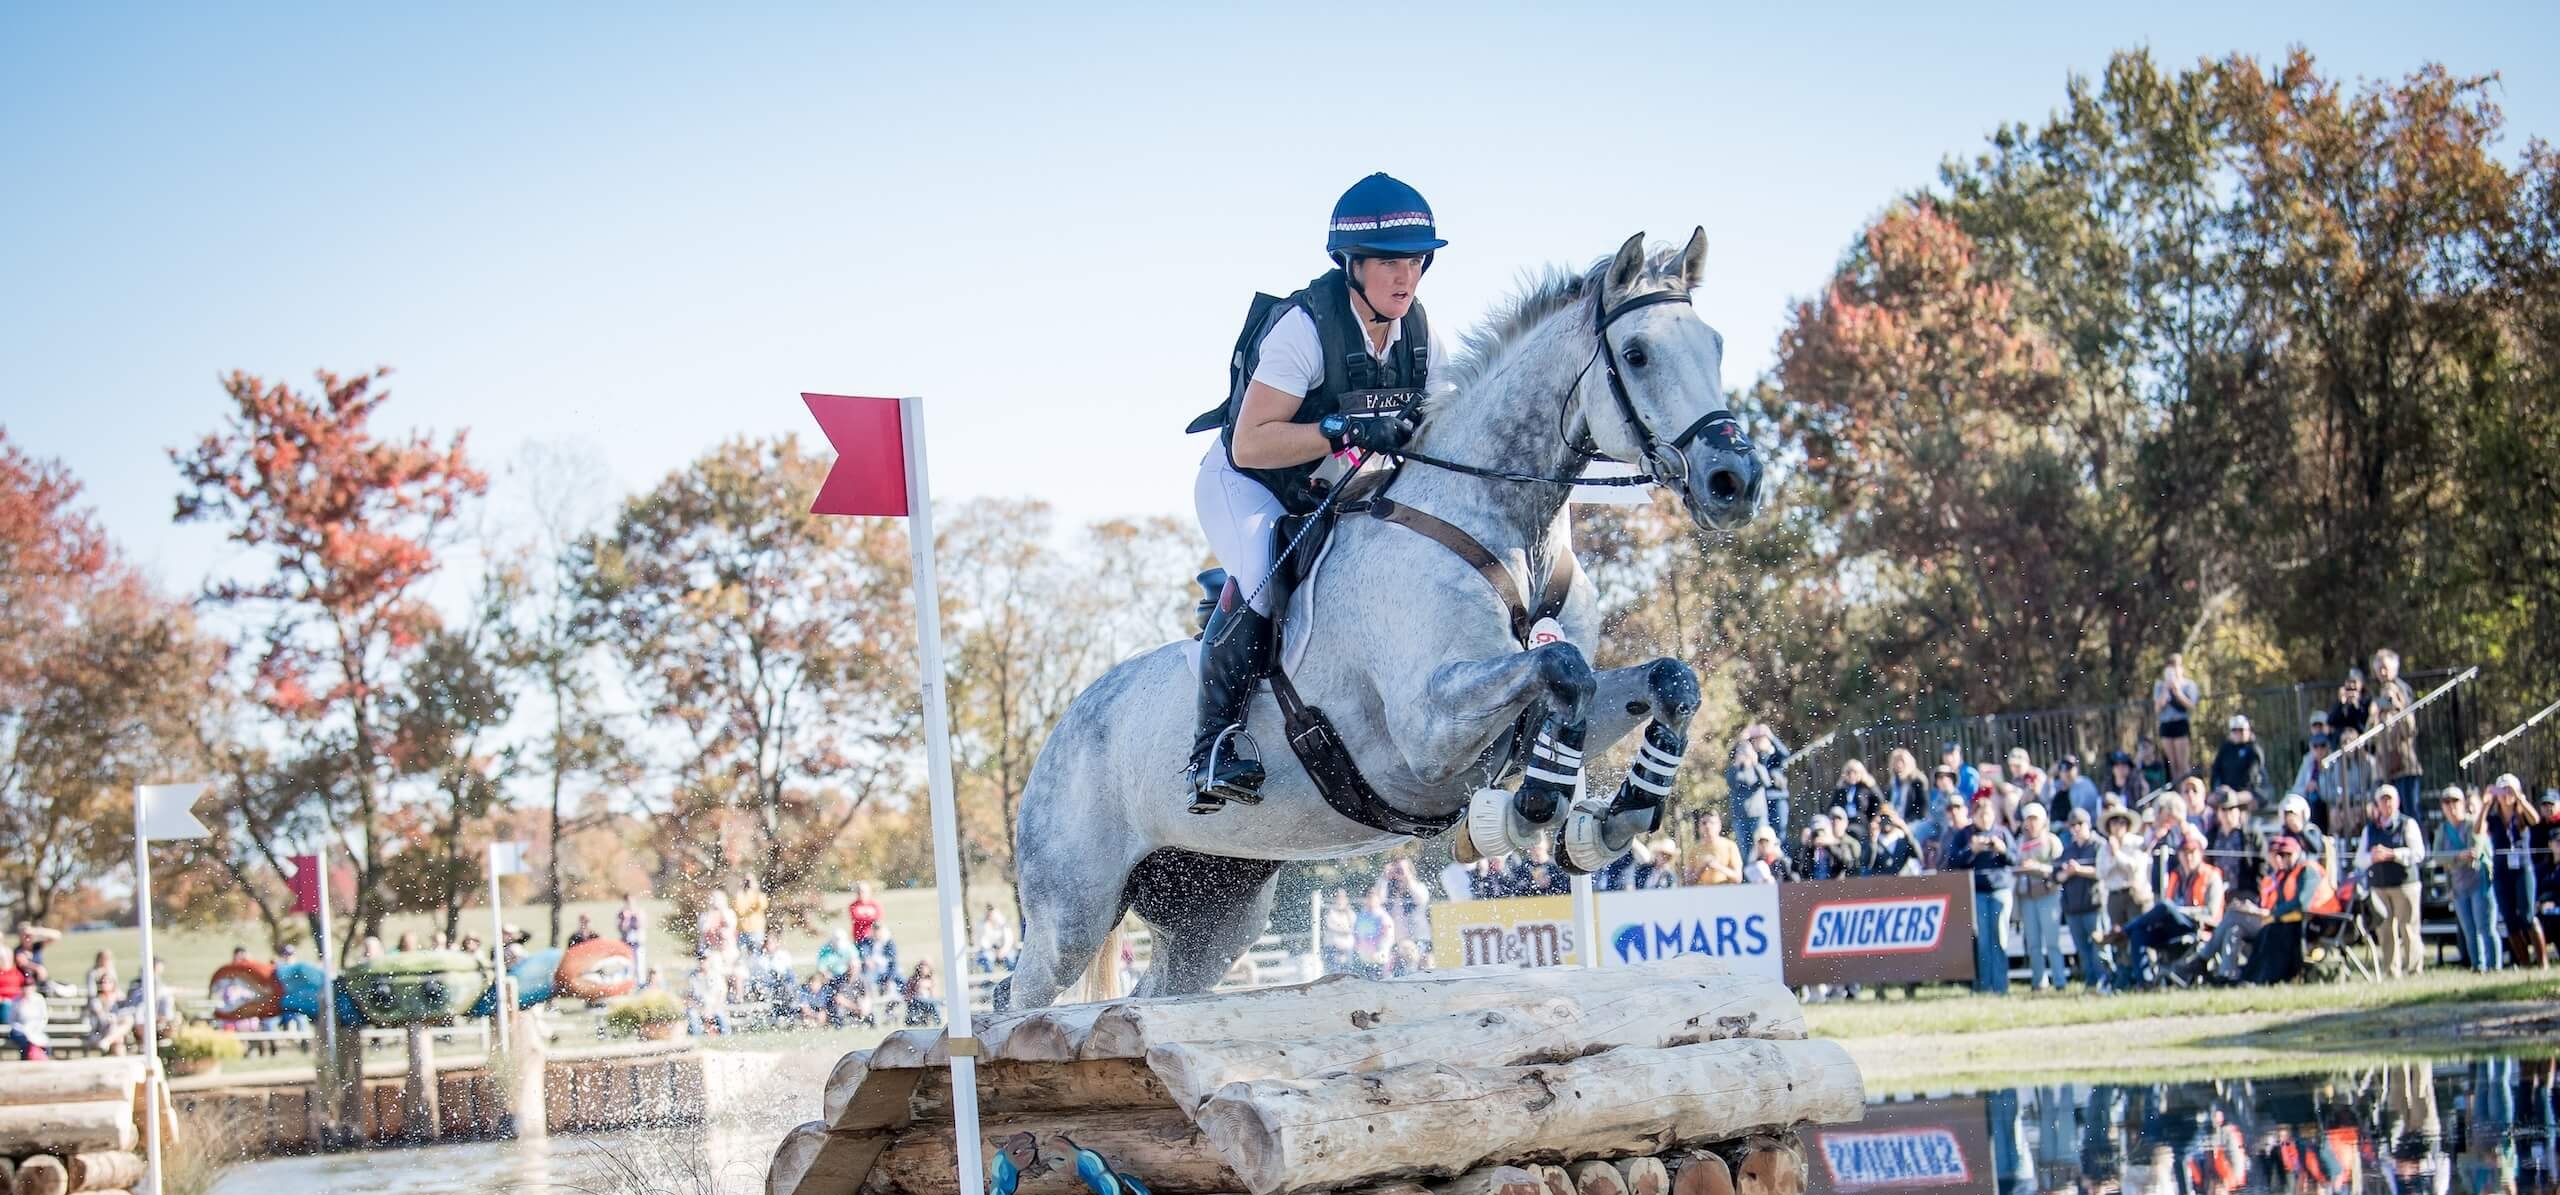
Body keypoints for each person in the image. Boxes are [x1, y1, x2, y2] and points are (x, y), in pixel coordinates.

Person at [1183, 173, 1448, 814]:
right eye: (1388, 261)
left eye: (1415, 260)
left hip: (1333, 489)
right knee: (1262, 568)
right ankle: (1212, 745)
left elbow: (1444, 427)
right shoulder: (1304, 328)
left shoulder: (1420, 334)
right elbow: (1250, 444)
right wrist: (1341, 429)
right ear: (1352, 265)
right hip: (1248, 483)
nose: (1404, 277)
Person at [2116, 830, 2223, 990]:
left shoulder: (2211, 876)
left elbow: (2211, 914)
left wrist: (2182, 911)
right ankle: (2144, 984)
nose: (2188, 857)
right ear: (2179, 855)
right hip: (2172, 927)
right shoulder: (2176, 876)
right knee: (2139, 934)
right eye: (2185, 852)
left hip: (2196, 926)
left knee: (2165, 905)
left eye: (2193, 852)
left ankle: (2122, 932)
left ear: (2200, 854)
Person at [1942, 800, 2017, 994]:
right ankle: (1984, 986)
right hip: (1977, 891)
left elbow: (2014, 860)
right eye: (1981, 815)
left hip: (2000, 889)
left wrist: (2002, 850)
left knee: (2000, 939)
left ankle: (2001, 986)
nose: (1985, 819)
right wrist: (1971, 850)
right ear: (1973, 816)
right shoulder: (1965, 835)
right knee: (1982, 941)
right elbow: (1952, 861)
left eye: (1988, 814)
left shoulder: (2002, 833)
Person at [2357, 784, 2428, 978]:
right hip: (2379, 886)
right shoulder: (2370, 829)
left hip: (2405, 885)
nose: (2386, 803)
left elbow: (2418, 853)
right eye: (2383, 799)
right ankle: (2391, 971)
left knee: (2409, 929)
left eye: (2390, 799)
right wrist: (2373, 857)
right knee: (2385, 931)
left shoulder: (2407, 824)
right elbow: (2359, 859)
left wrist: (2393, 854)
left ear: (2397, 802)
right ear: (2378, 804)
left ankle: (2414, 970)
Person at [2241, 834, 2332, 985]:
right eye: (2281, 854)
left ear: (2298, 852)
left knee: (2276, 933)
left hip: (2322, 921)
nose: (2285, 858)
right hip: (2300, 920)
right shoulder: (2287, 873)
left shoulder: (2308, 870)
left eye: (2289, 854)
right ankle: (2252, 977)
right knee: (2267, 931)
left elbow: (2302, 902)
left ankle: (2270, 977)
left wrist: (2274, 914)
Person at [2482, 773, 2546, 969]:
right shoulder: (2493, 818)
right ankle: (2525, 963)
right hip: (2502, 872)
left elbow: (2535, 820)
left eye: (2509, 790)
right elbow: (2478, 830)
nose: (2506, 795)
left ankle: (2542, 962)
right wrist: (2485, 804)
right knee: (2509, 918)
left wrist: (2519, 798)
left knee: (2527, 916)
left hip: (2523, 869)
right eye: (2503, 790)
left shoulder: (2521, 814)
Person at [2436, 785, 2499, 972]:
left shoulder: (2473, 823)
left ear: (2463, 803)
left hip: (2479, 882)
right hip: (2458, 885)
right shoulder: (2442, 830)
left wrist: (2459, 857)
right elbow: (2437, 855)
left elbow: (2476, 848)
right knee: (2469, 930)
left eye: (2455, 801)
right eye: (2446, 802)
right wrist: (2457, 856)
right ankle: (2478, 966)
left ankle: (2494, 966)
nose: (2451, 806)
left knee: (2485, 927)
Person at [2013, 803, 2069, 991]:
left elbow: (2060, 868)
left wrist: (2036, 868)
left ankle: (2059, 981)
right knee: (2033, 944)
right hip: (2027, 897)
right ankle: (2039, 982)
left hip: (2048, 895)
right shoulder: (2020, 842)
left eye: (2034, 819)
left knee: (2052, 942)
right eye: (2028, 819)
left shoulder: (2052, 841)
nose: (2031, 823)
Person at [2366, 650, 2423, 815]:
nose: (2382, 673)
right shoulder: (2378, 696)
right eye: (2379, 669)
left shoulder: (2402, 689)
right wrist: (2375, 714)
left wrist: (2398, 706)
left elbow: (2410, 729)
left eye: (2385, 668)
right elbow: (2371, 735)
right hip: (2385, 766)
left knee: (2411, 813)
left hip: (2405, 764)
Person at [2058, 808, 2108, 990]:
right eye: (2072, 825)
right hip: (2073, 906)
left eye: (2079, 824)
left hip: (2094, 904)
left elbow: (2103, 871)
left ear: (2088, 824)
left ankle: (2105, 981)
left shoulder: (2098, 845)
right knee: (2083, 950)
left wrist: (2078, 870)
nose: (2076, 828)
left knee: (2099, 947)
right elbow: (2058, 876)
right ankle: (2090, 982)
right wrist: (2067, 873)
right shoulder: (2068, 849)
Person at [1725, 723, 1791, 854]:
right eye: (1756, 739)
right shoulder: (1752, 757)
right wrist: (1741, 740)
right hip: (1759, 802)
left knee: (1779, 834)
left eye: (1762, 738)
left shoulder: (1774, 755)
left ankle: (1783, 865)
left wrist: (1770, 736)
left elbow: (1785, 753)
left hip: (1776, 798)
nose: (1759, 741)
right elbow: (1734, 756)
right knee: (1762, 839)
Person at [2098, 807, 2154, 953]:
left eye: (2121, 823)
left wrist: (2117, 853)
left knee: (2138, 935)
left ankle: (2145, 973)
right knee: (2118, 938)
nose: (2118, 827)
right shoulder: (2104, 848)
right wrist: (2112, 858)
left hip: (2134, 895)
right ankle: (2124, 973)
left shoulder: (2137, 843)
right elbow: (2101, 873)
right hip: (2114, 896)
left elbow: (2134, 868)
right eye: (2114, 823)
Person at [2153, 655, 2202, 783]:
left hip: (2180, 723)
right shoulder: (2160, 686)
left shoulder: (2188, 685)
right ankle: (2177, 791)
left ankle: (2187, 788)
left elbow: (2191, 705)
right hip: (2166, 724)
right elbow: (2157, 708)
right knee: (2172, 764)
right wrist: (2165, 689)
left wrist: (2177, 692)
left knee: (2182, 763)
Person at [2209, 716, 2267, 805]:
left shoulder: (2253, 750)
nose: (2238, 733)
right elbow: (2216, 771)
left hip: (2251, 792)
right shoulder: (2225, 749)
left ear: (2248, 731)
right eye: (2234, 730)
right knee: (2211, 800)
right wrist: (2218, 788)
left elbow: (2252, 777)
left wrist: (2233, 792)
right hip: (2226, 791)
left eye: (2241, 730)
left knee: (2232, 799)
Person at [1351, 888, 1398, 978]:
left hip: (1378, 955)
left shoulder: (1383, 917)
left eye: (1373, 896)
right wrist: (1357, 949)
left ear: (1378, 899)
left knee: (1379, 979)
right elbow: (1356, 934)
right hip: (1364, 955)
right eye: (1368, 897)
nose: (1370, 899)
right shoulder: (1361, 916)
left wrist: (1377, 950)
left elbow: (1387, 937)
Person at [1688, 810, 1744, 885]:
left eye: (1712, 823)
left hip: (1726, 891)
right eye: (1704, 823)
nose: (1708, 826)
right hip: (1701, 893)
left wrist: (1717, 866)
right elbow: (1687, 881)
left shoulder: (1730, 846)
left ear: (1719, 825)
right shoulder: (1694, 850)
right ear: (1699, 826)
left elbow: (1738, 878)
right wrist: (1702, 868)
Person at [2274, 795, 2328, 864]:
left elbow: (2316, 849)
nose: (2291, 817)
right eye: (2288, 814)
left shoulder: (2311, 829)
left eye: (2294, 814)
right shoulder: (2284, 834)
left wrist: (2301, 831)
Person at [1865, 810, 1920, 877]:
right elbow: (1867, 865)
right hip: (1880, 882)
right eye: (1883, 818)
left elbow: (1918, 856)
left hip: (1903, 881)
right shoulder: (1872, 841)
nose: (1886, 821)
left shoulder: (1903, 840)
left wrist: (1906, 830)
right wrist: (1873, 839)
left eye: (1889, 817)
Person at [1885, 748, 1931, 825]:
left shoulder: (1918, 781)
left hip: (1912, 822)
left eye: (1902, 761)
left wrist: (1905, 822)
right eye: (1896, 761)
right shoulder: (1892, 783)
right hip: (1893, 822)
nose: (1899, 765)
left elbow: (1922, 810)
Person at [1319, 890, 1356, 974]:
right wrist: (1344, 930)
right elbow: (1331, 926)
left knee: (1348, 972)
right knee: (1332, 972)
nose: (1340, 901)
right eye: (1338, 898)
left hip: (1347, 947)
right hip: (1332, 946)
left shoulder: (1351, 913)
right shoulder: (1330, 912)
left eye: (1343, 898)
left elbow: (1352, 926)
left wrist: (1348, 912)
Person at [733, 875, 770, 956]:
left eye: (749, 881)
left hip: (756, 930)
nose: (747, 883)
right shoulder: (740, 895)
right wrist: (739, 889)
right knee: (741, 956)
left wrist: (756, 889)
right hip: (743, 931)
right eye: (746, 881)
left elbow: (763, 905)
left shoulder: (758, 894)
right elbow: (739, 910)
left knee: (756, 954)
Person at [846, 882, 884, 961]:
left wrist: (865, 918)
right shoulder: (853, 905)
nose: (861, 894)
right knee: (864, 959)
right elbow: (856, 918)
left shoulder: (875, 905)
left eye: (863, 891)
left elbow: (879, 918)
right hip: (860, 938)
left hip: (874, 937)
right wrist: (870, 918)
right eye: (859, 891)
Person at [616, 893, 648, 975]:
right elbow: (620, 928)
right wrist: (626, 919)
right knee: (627, 964)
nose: (629, 902)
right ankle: (627, 981)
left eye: (631, 900)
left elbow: (643, 925)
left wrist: (637, 918)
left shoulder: (640, 911)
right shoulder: (622, 913)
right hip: (626, 942)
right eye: (627, 901)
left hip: (638, 941)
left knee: (639, 963)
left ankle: (640, 983)